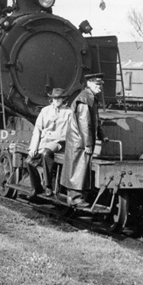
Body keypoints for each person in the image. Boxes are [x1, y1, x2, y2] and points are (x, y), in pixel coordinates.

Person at [60, 73, 105, 208]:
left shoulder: (90, 97)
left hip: (79, 140)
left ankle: (76, 196)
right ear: (89, 84)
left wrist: (102, 135)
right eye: (97, 85)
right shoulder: (85, 99)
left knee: (79, 168)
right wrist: (89, 144)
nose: (100, 88)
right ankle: (75, 197)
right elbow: (85, 124)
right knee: (78, 169)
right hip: (79, 141)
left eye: (101, 85)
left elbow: (95, 120)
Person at [27, 88, 72, 196]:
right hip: (44, 141)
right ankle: (36, 187)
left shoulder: (69, 112)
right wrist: (33, 147)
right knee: (29, 161)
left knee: (46, 153)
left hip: (59, 142)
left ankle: (48, 186)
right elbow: (37, 129)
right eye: (54, 98)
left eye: (59, 98)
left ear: (63, 99)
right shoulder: (45, 111)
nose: (56, 100)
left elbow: (72, 131)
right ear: (51, 99)